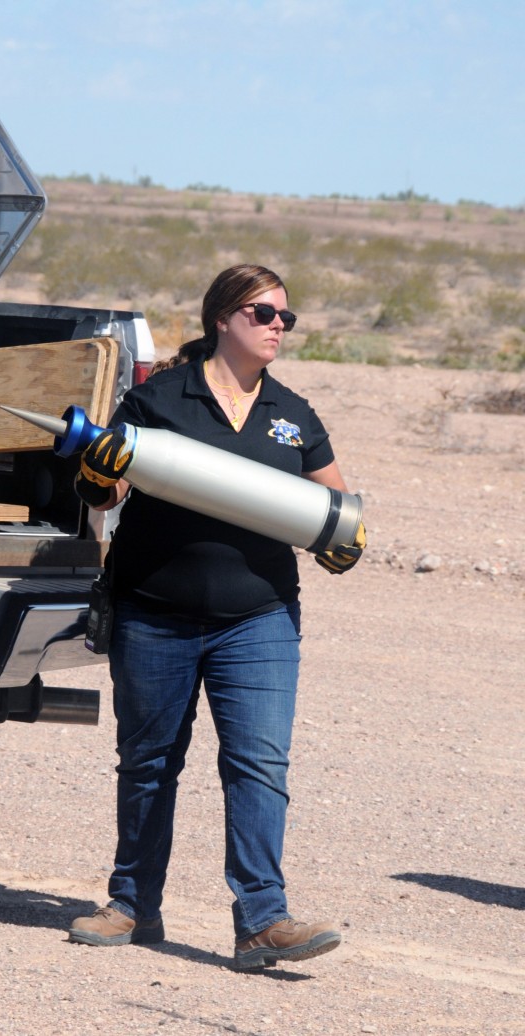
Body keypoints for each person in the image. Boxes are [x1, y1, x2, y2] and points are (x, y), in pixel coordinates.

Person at [68, 264, 366, 970]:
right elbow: (102, 495)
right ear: (223, 318)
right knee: (148, 764)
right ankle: (132, 905)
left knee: (258, 765)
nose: (278, 329)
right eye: (264, 315)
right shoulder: (159, 399)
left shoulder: (294, 417)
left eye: (285, 318)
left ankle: (263, 919)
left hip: (257, 620)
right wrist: (96, 465)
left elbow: (340, 516)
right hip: (154, 613)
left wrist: (343, 547)